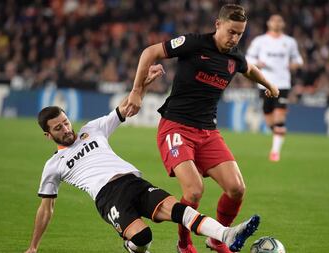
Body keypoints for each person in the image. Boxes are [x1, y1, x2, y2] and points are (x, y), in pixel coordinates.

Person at [23, 65, 260, 253]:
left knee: (180, 211)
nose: (65, 129)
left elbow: (126, 107)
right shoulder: (53, 166)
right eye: (58, 128)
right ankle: (133, 246)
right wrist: (33, 247)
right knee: (142, 238)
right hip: (108, 197)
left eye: (65, 122)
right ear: (48, 135)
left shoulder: (91, 129)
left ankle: (225, 235)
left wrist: (143, 85)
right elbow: (46, 209)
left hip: (133, 181)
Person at [125, 4, 279, 253]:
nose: (234, 38)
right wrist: (136, 91)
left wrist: (270, 85)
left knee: (237, 188)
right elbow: (149, 52)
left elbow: (249, 69)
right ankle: (183, 243)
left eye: (240, 33)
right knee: (194, 190)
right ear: (217, 24)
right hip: (175, 127)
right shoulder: (194, 43)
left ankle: (217, 238)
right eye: (231, 31)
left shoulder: (234, 57)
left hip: (207, 131)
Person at [245, 14, 303, 162]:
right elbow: (248, 59)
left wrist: (293, 65)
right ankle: (278, 133)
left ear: (283, 24)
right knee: (269, 117)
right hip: (264, 83)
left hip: (282, 84)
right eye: (274, 20)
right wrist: (258, 62)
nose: (276, 23)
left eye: (279, 21)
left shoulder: (289, 42)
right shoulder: (260, 41)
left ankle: (275, 151)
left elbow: (298, 60)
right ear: (268, 23)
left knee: (279, 118)